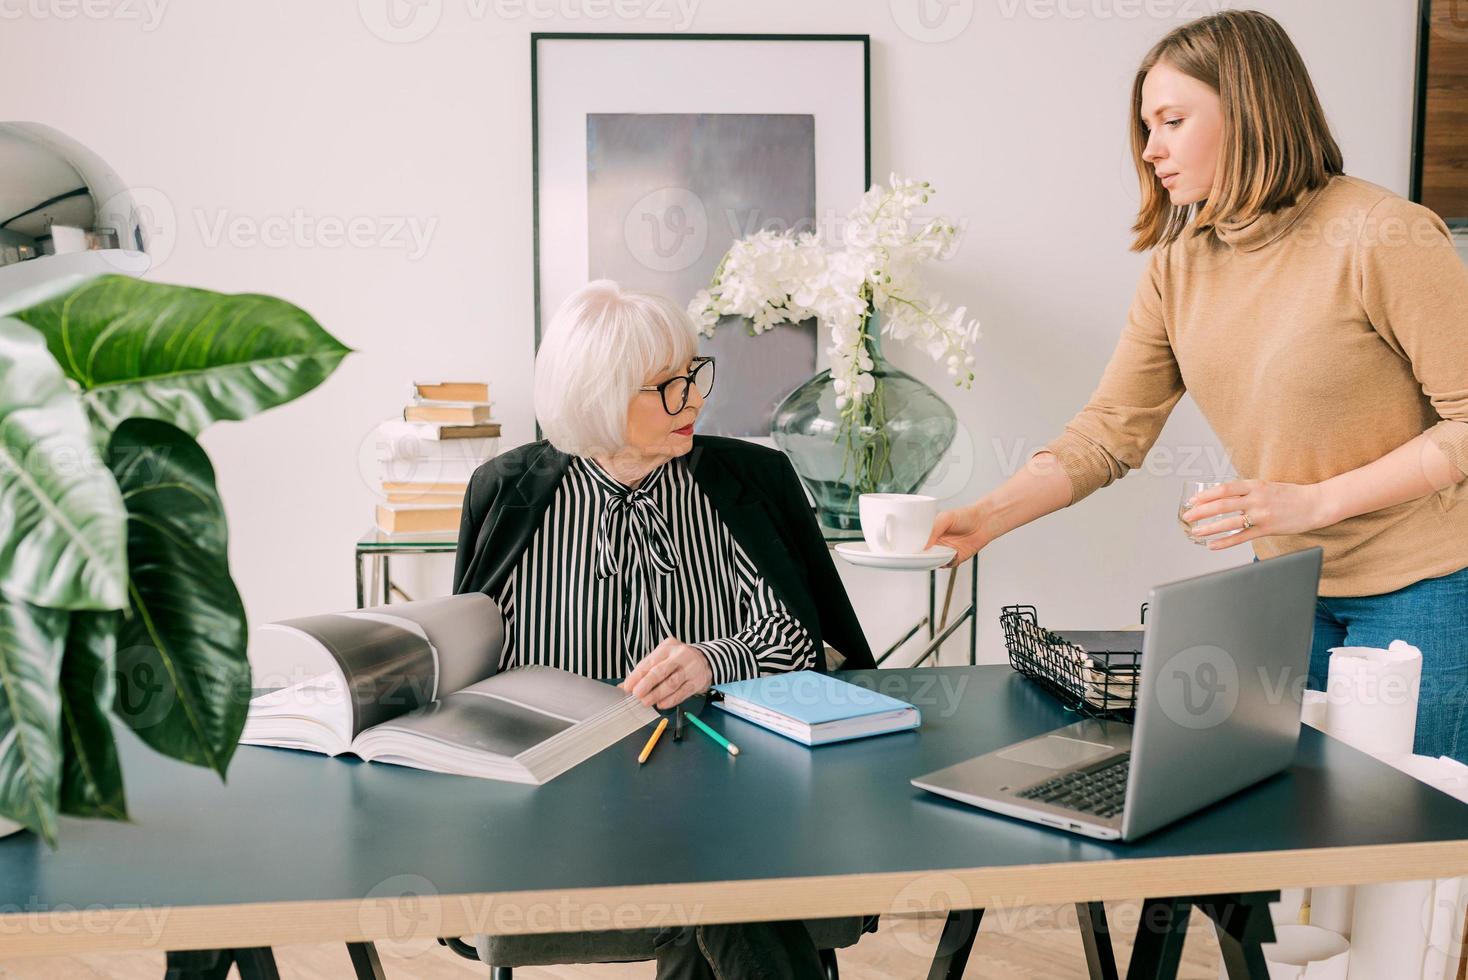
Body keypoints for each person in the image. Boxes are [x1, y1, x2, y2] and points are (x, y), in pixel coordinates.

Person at [928, 10, 1468, 762]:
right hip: (1286, 588)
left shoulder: (1384, 235)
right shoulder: (1179, 266)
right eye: (1147, 127)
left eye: (1172, 120)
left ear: (1249, 111)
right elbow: (1109, 429)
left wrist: (1314, 501)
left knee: (1411, 841)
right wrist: (986, 516)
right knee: (1286, 827)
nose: (1150, 150)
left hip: (1429, 589)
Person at [453, 278, 872, 979]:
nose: (696, 400)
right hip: (567, 797)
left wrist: (714, 660)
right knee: (718, 874)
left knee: (710, 853)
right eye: (666, 387)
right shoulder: (508, 493)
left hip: (733, 782)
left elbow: (806, 642)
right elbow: (473, 673)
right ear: (599, 398)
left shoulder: (749, 481)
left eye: (693, 376)